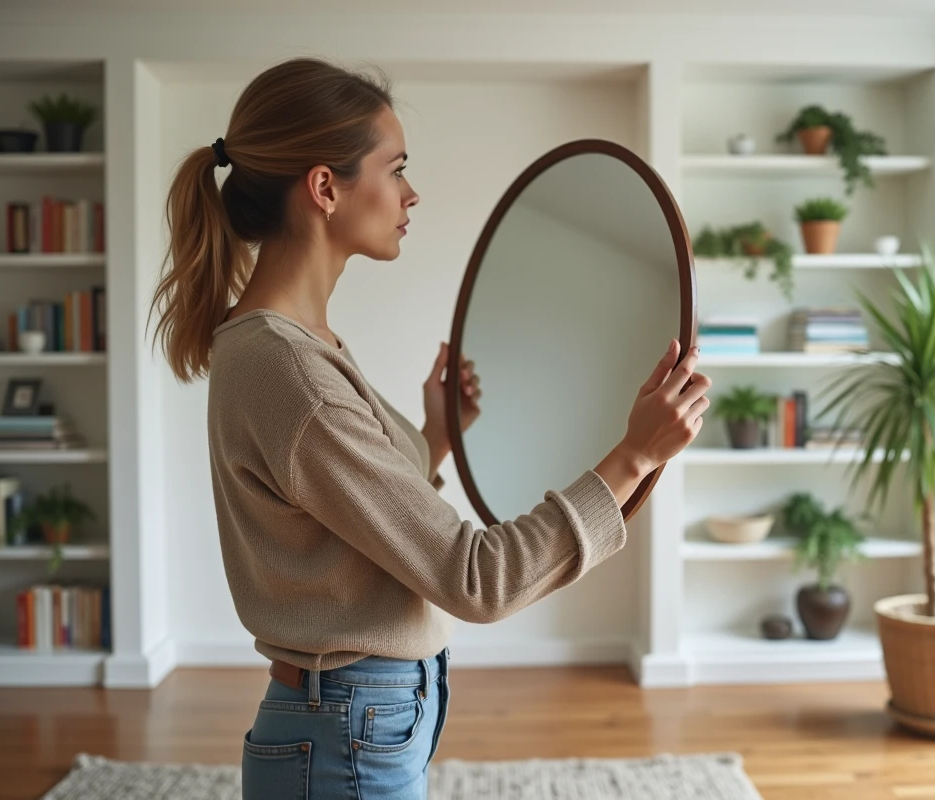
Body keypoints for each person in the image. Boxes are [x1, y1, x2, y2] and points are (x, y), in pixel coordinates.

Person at [148, 56, 710, 800]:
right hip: (347, 726)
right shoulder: (290, 370)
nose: (412, 193)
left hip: (359, 716)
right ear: (324, 188)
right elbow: (474, 578)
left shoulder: (296, 347)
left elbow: (347, 511)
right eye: (397, 168)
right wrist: (633, 456)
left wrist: (436, 435)